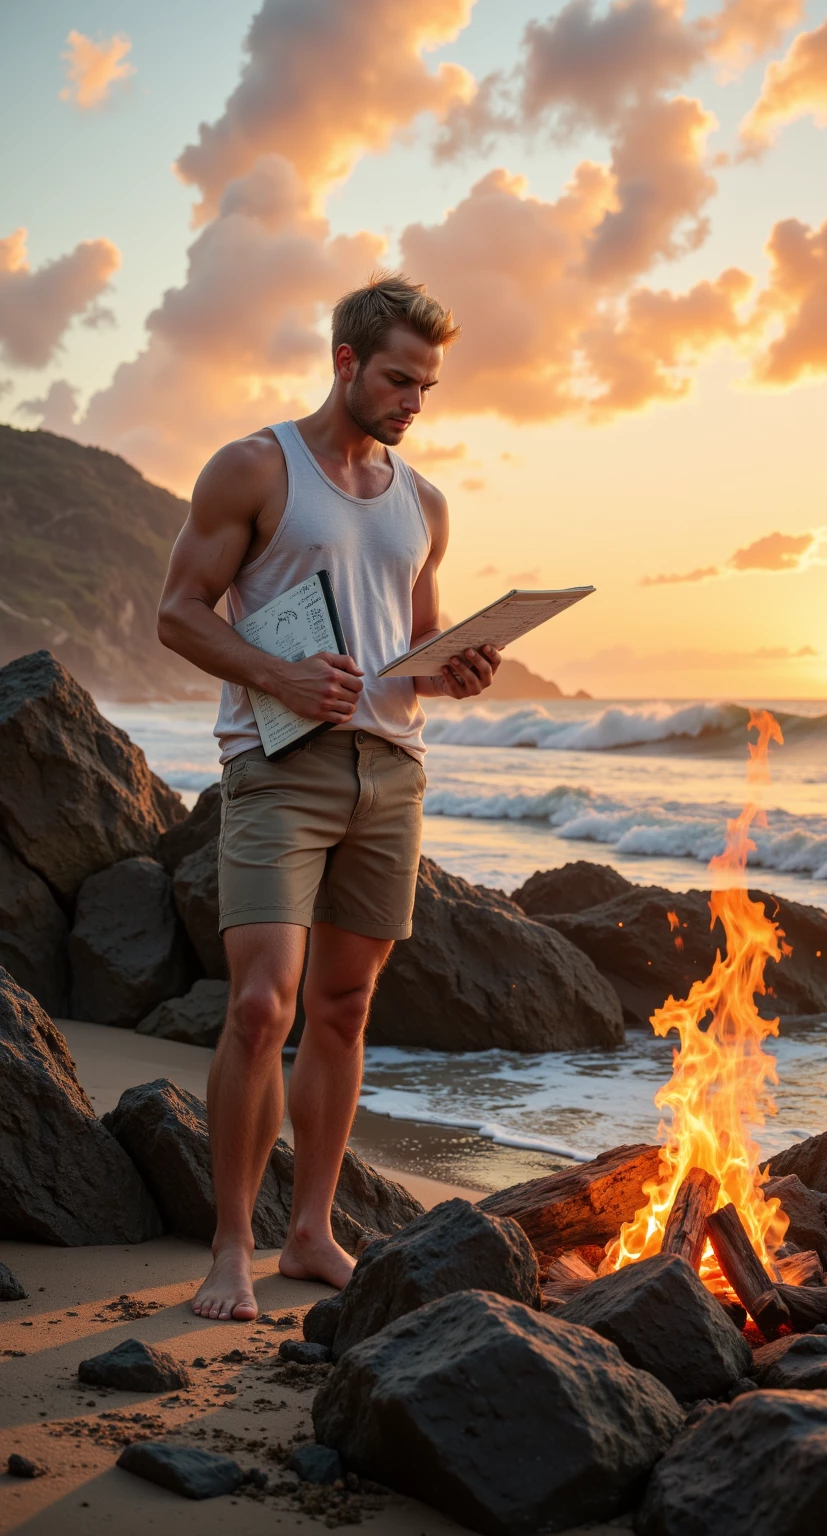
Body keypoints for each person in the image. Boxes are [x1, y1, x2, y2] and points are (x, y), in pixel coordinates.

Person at [157, 272, 501, 1321]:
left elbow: (414, 651)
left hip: (390, 773)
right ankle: (229, 1246)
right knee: (261, 1006)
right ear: (346, 362)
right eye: (399, 377)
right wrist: (280, 676)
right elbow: (178, 613)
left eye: (427, 386)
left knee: (343, 1009)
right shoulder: (255, 466)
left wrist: (456, 673)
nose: (412, 400)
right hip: (278, 767)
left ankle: (309, 1235)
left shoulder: (422, 502)